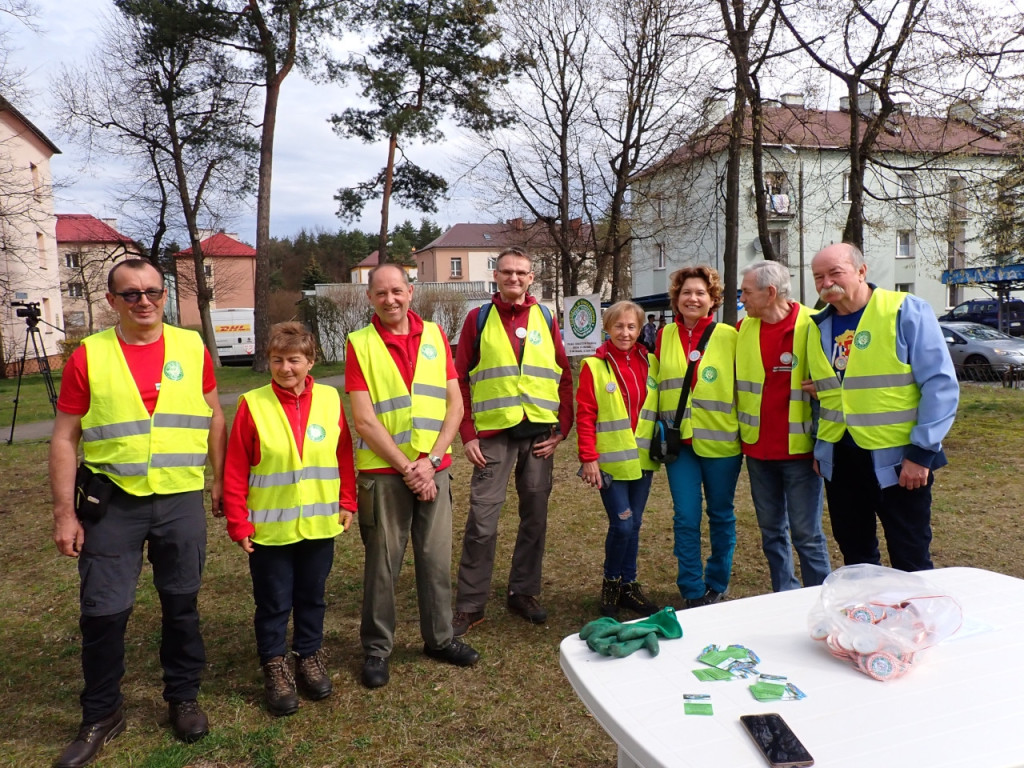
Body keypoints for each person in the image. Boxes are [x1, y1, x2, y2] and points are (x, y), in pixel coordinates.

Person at [49, 259, 225, 767]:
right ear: (112, 302)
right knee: (103, 613)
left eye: (151, 291)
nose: (143, 300)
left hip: (179, 500)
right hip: (113, 506)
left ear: (164, 294)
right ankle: (102, 713)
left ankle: (183, 697)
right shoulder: (89, 355)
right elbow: (64, 437)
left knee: (181, 604)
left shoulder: (192, 348)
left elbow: (214, 414)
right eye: (130, 294)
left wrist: (217, 479)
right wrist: (65, 514)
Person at [345, 263, 479, 689]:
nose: (390, 300)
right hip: (386, 476)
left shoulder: (437, 336)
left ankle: (439, 639)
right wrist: (409, 468)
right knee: (383, 566)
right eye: (381, 293)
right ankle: (377, 649)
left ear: (411, 291)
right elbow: (364, 420)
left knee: (436, 560)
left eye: (397, 291)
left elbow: (455, 406)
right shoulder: (360, 344)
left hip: (433, 470)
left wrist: (432, 460)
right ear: (370, 298)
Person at [222, 322, 356, 716]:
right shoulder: (253, 403)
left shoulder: (331, 400)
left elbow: (343, 454)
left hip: (319, 525)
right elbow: (235, 468)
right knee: (274, 602)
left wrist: (347, 500)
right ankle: (275, 665)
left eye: (294, 359)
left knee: (312, 597)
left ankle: (309, 657)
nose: (285, 368)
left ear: (310, 361)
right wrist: (238, 523)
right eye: (277, 360)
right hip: (270, 530)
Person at [804, 243, 958, 571]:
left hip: (900, 462)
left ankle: (917, 621)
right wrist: (822, 452)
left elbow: (940, 385)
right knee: (856, 558)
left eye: (835, 272)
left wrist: (921, 454)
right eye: (818, 276)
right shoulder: (816, 327)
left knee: (910, 556)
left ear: (861, 271)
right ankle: (867, 620)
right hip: (841, 462)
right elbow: (832, 395)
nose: (826, 282)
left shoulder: (905, 310)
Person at [451, 247, 574, 636]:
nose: (514, 279)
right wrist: (467, 433)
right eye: (507, 272)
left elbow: (564, 375)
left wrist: (561, 430)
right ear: (497, 277)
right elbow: (459, 381)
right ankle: (470, 605)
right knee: (482, 524)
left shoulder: (546, 317)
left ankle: (523, 591)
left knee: (534, 519)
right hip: (492, 438)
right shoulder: (478, 319)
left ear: (532, 277)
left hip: (538, 437)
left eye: (521, 273)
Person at [737, 261, 832, 592]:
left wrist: (823, 446)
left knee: (807, 535)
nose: (742, 298)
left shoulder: (813, 325)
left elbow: (837, 387)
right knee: (771, 533)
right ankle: (784, 596)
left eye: (747, 292)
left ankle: (820, 599)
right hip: (758, 451)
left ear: (770, 293)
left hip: (800, 452)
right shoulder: (744, 329)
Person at [656, 265, 742, 609]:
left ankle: (717, 582)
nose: (693, 298)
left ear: (713, 300)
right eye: (686, 292)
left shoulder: (730, 335)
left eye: (700, 293)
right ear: (677, 298)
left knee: (721, 514)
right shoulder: (663, 336)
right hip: (679, 445)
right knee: (686, 516)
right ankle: (692, 589)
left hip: (721, 441)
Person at [576, 301, 661, 618]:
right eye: (618, 326)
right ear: (607, 328)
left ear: (640, 330)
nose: (625, 333)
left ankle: (629, 585)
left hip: (641, 461)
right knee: (623, 524)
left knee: (635, 524)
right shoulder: (593, 366)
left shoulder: (651, 362)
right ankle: (611, 582)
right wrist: (588, 458)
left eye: (632, 327)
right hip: (610, 463)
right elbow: (585, 415)